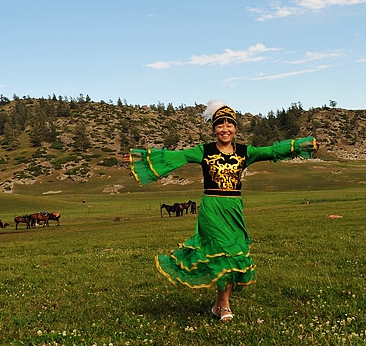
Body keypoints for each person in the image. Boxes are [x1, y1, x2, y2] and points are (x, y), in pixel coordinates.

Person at [126, 100, 318, 322]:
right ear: (213, 129)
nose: (225, 128)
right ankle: (225, 306)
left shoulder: (246, 152)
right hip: (212, 208)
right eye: (219, 124)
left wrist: (304, 145)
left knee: (233, 253)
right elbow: (174, 157)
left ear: (235, 128)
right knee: (224, 252)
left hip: (234, 208)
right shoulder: (204, 151)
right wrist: (141, 159)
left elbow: (272, 150)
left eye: (229, 124)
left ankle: (218, 304)